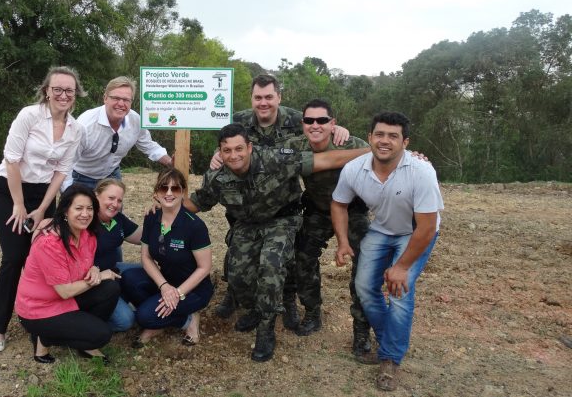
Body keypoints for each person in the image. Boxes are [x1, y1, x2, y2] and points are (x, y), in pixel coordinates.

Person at [185, 123, 368, 362]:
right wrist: (164, 209)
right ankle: (254, 309)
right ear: (219, 152)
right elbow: (199, 202)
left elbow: (327, 160)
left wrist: (372, 151)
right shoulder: (217, 176)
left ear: (250, 147)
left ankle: (266, 329)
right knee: (238, 276)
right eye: (227, 150)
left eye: (239, 148)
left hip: (282, 219)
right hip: (247, 224)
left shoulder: (276, 159)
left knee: (270, 268)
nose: (234, 155)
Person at [212, 74, 349, 330]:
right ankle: (234, 293)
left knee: (288, 256)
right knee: (237, 245)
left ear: (279, 97)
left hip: (283, 201)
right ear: (251, 98)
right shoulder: (240, 120)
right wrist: (218, 157)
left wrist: (338, 129)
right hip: (246, 201)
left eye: (269, 97)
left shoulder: (299, 120)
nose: (263, 103)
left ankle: (287, 300)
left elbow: (320, 130)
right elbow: (228, 144)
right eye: (258, 97)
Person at [331, 112, 443, 391]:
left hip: (416, 232)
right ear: (369, 137)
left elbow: (427, 227)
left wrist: (401, 267)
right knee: (364, 288)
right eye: (379, 134)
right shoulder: (355, 168)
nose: (385, 141)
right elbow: (338, 203)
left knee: (400, 291)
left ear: (405, 142)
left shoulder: (421, 171)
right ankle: (388, 340)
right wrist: (342, 241)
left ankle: (390, 359)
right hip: (382, 229)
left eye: (393, 136)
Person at [0, 66, 85, 352]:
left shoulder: (75, 128)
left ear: (75, 94)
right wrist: (19, 204)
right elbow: (12, 160)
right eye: (57, 89)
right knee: (14, 256)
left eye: (69, 90)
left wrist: (43, 208)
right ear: (47, 91)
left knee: (40, 257)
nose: (63, 95)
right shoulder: (29, 116)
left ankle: (36, 319)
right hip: (10, 189)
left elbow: (61, 171)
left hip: (44, 194)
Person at [286, 99, 373, 360]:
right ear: (302, 124)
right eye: (309, 120)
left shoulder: (352, 143)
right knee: (302, 258)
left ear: (332, 123)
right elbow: (258, 154)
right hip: (317, 210)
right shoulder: (294, 146)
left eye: (322, 120)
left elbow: (380, 152)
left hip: (353, 210)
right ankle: (312, 313)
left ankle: (361, 331)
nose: (315, 125)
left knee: (365, 268)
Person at [15, 185, 120, 364]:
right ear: (65, 210)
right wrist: (101, 275)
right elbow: (65, 291)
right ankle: (43, 336)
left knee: (111, 288)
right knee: (102, 335)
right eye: (78, 208)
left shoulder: (88, 235)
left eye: (89, 208)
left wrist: (94, 269)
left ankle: (83, 340)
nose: (85, 214)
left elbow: (81, 265)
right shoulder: (50, 242)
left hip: (65, 300)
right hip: (39, 309)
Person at [121, 168, 212, 347]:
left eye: (175, 189)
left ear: (184, 192)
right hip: (166, 281)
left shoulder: (195, 226)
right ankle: (170, 314)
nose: (169, 193)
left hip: (193, 289)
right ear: (156, 192)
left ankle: (189, 316)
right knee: (128, 278)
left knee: (144, 317)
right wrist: (164, 286)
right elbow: (146, 258)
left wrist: (177, 293)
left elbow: (204, 268)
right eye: (164, 188)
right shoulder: (152, 217)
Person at [63, 76, 172, 191]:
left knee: (115, 209)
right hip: (81, 177)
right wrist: (68, 193)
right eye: (116, 98)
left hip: (112, 175)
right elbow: (67, 161)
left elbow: (149, 146)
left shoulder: (135, 120)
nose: (121, 103)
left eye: (126, 100)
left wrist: (170, 162)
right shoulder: (86, 124)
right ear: (105, 98)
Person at [92, 178, 143, 332]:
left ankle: (124, 299)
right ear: (96, 196)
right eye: (111, 198)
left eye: (119, 200)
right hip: (94, 279)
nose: (115, 204)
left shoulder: (117, 219)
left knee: (146, 270)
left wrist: (159, 215)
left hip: (113, 269)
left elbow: (142, 236)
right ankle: (89, 325)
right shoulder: (86, 219)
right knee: (125, 321)